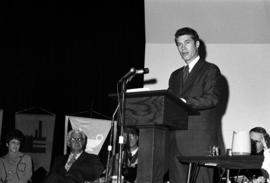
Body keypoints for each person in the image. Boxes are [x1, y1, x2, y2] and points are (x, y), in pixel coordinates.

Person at [168, 27, 223, 183]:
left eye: (187, 42)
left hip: (200, 142)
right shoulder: (175, 75)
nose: (183, 48)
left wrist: (185, 102)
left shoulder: (210, 70)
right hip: (175, 144)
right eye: (179, 44)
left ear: (197, 44)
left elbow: (212, 98)